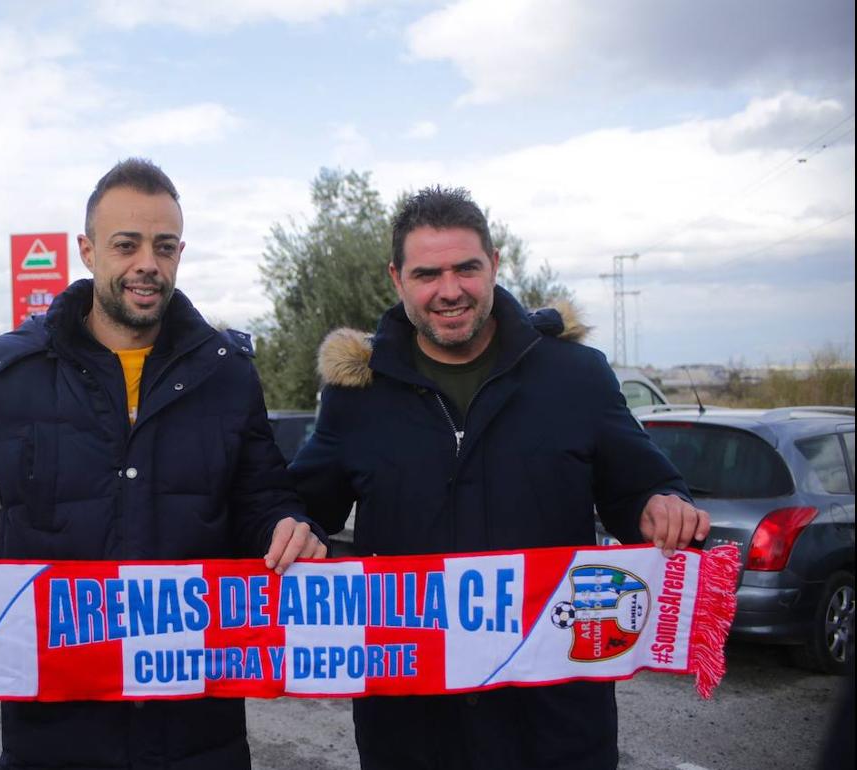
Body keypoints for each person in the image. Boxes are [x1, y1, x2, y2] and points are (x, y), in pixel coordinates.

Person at [0, 158, 327, 770]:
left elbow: (262, 498)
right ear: (87, 250)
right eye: (126, 245)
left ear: (180, 252)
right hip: (55, 728)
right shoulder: (15, 377)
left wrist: (287, 528)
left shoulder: (227, 373)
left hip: (196, 727)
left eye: (164, 247)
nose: (147, 265)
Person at [288, 186, 709, 770]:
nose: (449, 290)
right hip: (412, 724)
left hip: (554, 720)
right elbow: (305, 504)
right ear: (397, 279)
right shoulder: (357, 396)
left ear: (494, 265)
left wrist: (662, 503)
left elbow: (640, 487)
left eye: (466, 268)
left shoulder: (576, 375)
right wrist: (295, 524)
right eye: (427, 273)